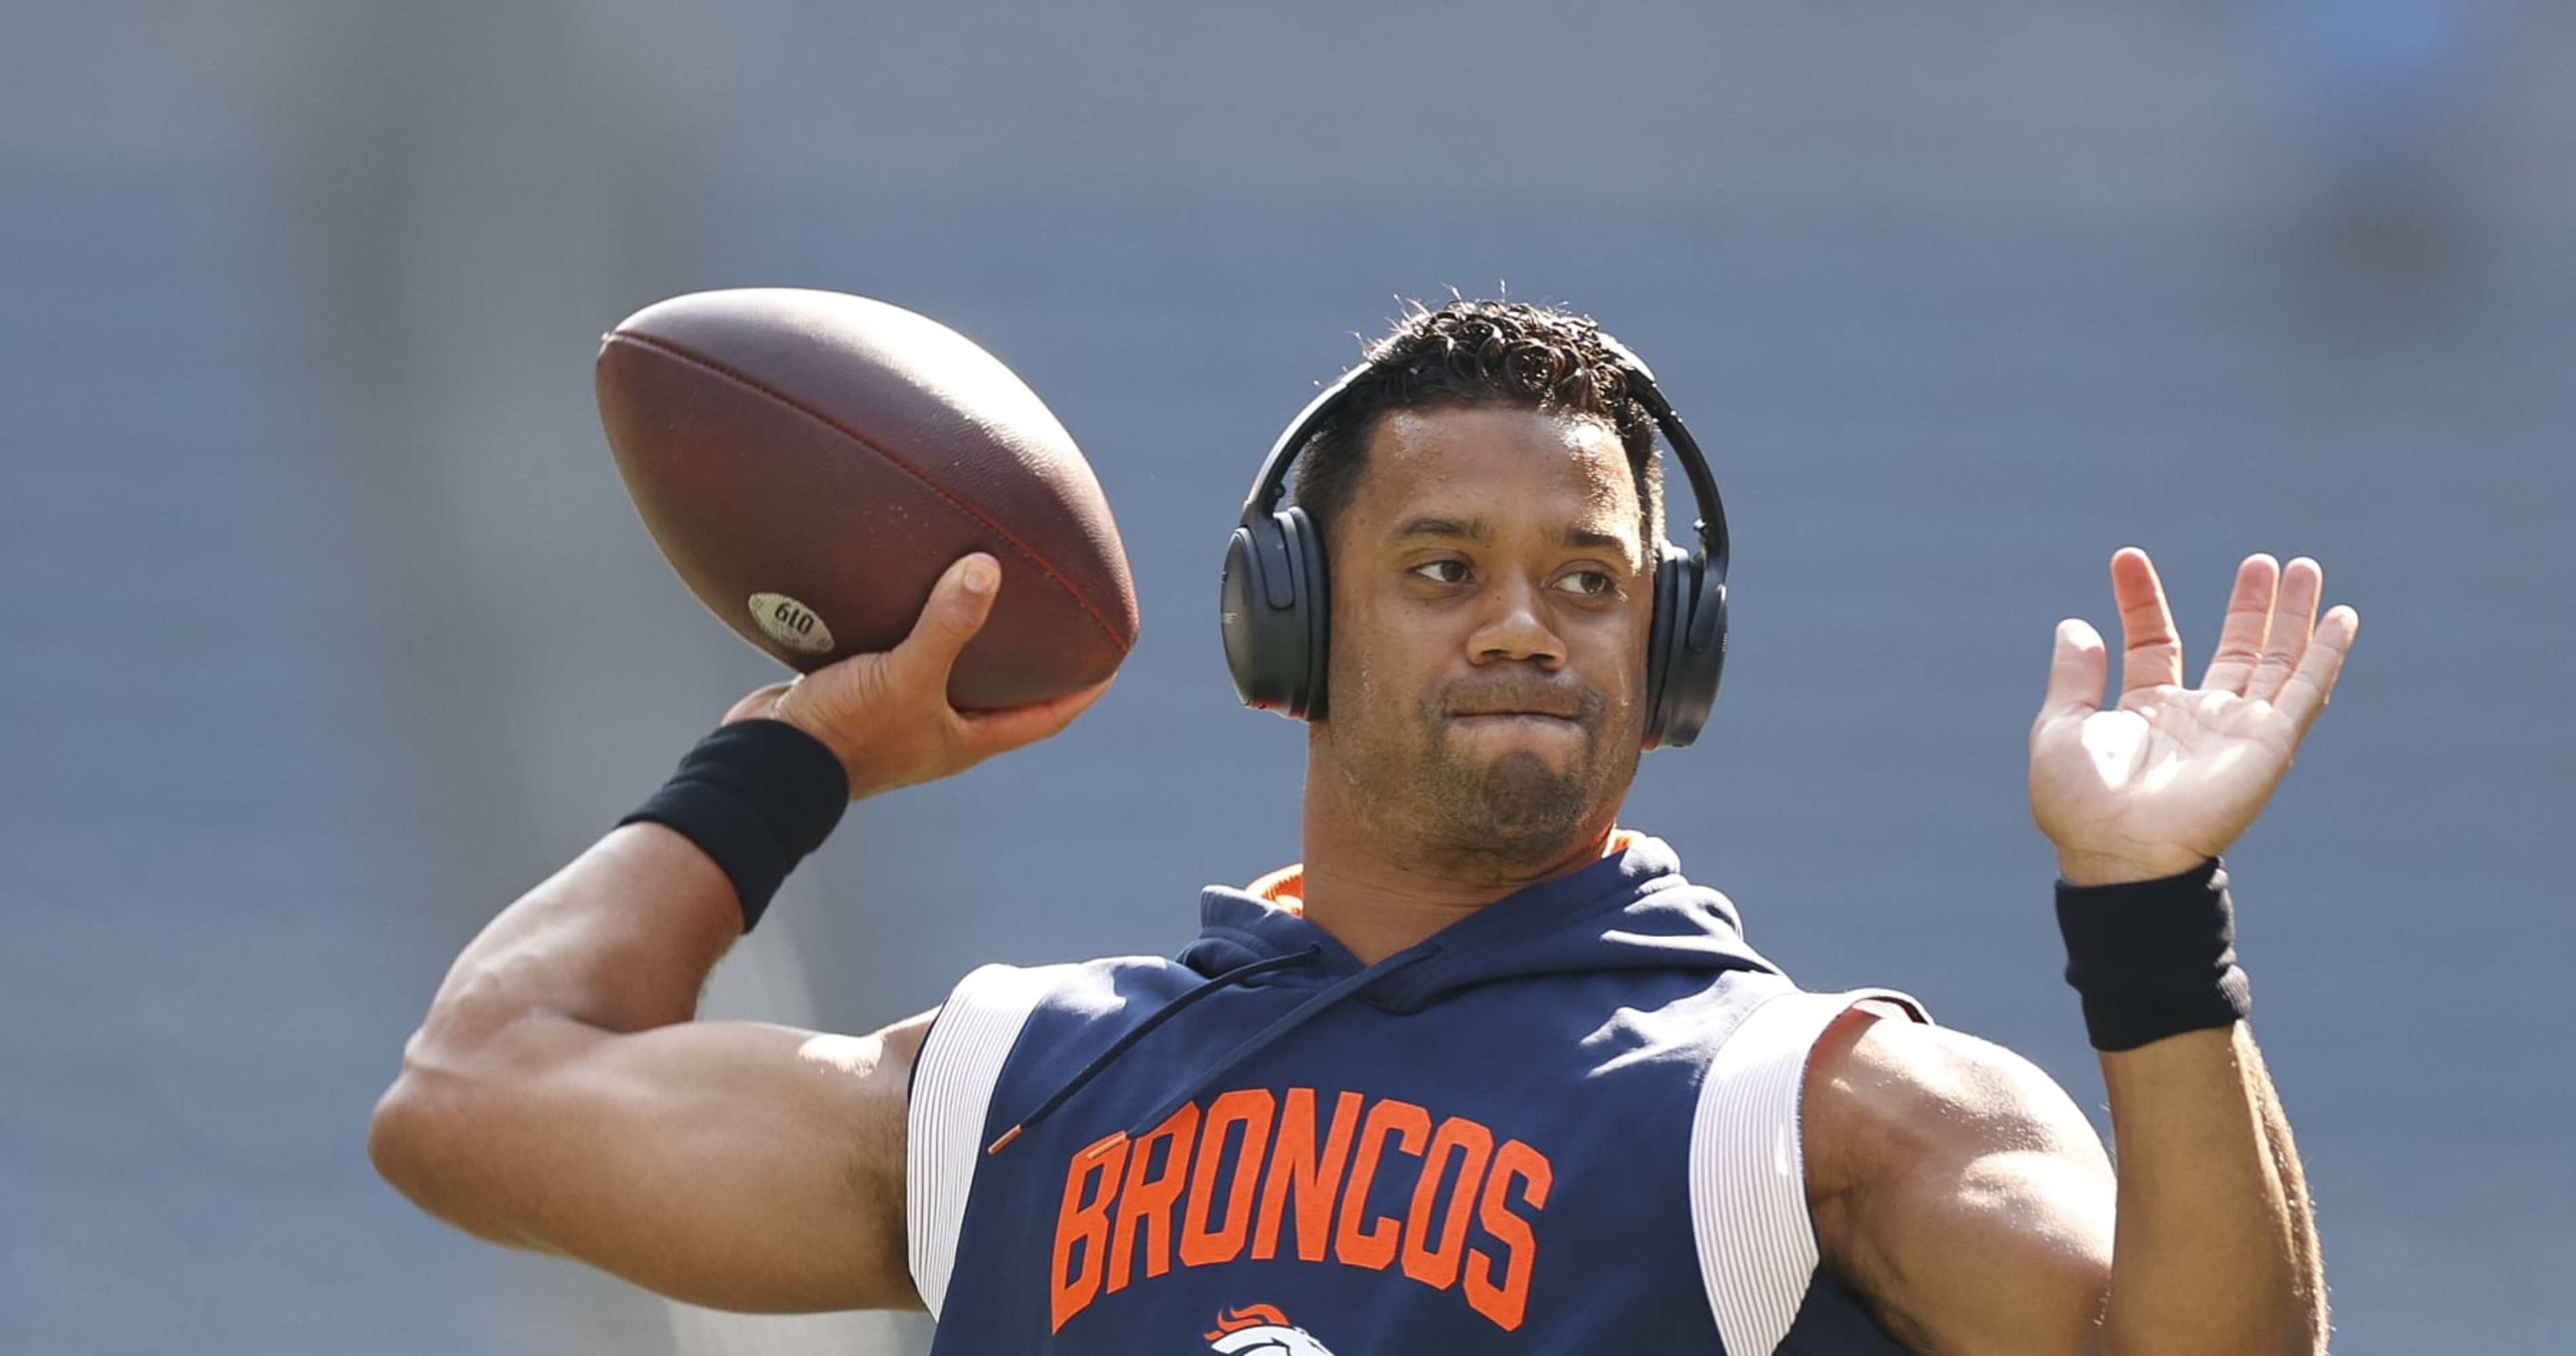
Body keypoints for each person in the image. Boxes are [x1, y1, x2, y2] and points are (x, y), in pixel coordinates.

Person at [371, 300, 2355, 1355]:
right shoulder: (1025, 1093)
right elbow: (476, 1095)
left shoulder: (1809, 1103)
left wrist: (2149, 905)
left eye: (1589, 578)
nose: (1522, 618)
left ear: (1667, 650)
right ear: (1286, 629)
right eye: (1439, 566)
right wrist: (797, 759)